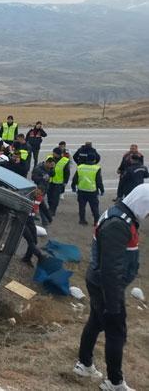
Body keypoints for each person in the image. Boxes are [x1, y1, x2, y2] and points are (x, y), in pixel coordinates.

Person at [73, 184, 149, 391]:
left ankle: (84, 364)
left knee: (96, 322)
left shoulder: (122, 215)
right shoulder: (118, 224)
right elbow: (110, 268)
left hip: (102, 283)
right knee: (117, 332)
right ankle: (115, 382)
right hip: (106, 286)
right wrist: (114, 304)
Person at [72, 156, 104, 225]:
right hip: (92, 190)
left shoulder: (80, 167)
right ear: (94, 160)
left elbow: (75, 178)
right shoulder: (96, 168)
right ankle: (96, 221)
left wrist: (73, 186)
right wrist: (102, 189)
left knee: (82, 206)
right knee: (94, 207)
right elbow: (99, 181)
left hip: (81, 189)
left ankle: (82, 220)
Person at [31, 157, 55, 225]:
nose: (51, 166)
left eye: (53, 165)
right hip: (39, 190)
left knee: (39, 204)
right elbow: (33, 178)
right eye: (51, 165)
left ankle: (36, 216)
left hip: (45, 188)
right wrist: (42, 178)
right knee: (41, 204)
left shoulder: (49, 168)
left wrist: (52, 169)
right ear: (47, 163)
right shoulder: (38, 169)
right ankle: (44, 220)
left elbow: (53, 174)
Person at [48, 147, 71, 217]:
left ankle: (52, 210)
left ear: (57, 154)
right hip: (50, 181)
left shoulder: (65, 161)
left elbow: (67, 172)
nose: (52, 154)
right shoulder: (49, 158)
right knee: (49, 196)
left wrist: (65, 182)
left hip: (58, 182)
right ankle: (50, 208)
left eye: (54, 153)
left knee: (55, 197)